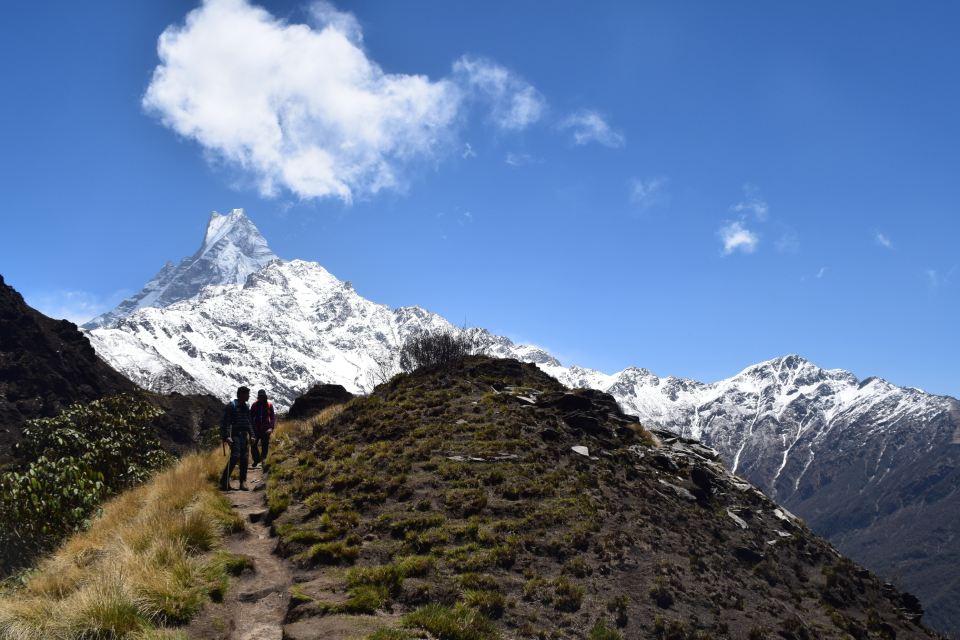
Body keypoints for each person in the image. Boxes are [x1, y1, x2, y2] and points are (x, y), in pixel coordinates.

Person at [220, 386, 254, 491]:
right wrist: (226, 437)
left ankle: (242, 482)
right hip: (235, 435)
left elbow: (249, 422)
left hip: (244, 436)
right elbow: (225, 422)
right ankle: (224, 481)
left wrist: (252, 435)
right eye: (247, 394)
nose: (248, 396)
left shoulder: (246, 407)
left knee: (244, 458)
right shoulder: (231, 406)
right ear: (241, 395)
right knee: (235, 456)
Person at [250, 389, 276, 468]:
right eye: (260, 397)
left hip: (266, 429)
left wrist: (271, 428)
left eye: (263, 396)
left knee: (265, 445)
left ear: (265, 397)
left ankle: (263, 459)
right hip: (256, 429)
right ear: (258, 397)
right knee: (253, 444)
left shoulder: (269, 405)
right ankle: (256, 459)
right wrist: (251, 429)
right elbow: (250, 417)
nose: (261, 398)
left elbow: (272, 418)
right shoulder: (254, 405)